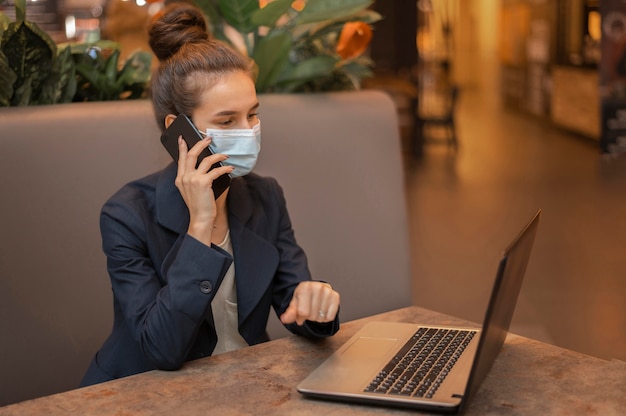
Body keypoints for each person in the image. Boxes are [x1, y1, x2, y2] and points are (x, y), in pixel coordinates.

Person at [80, 3, 340, 387]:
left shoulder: (266, 197)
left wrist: (316, 305)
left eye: (252, 114)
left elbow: (294, 304)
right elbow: (161, 349)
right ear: (179, 130)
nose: (248, 130)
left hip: (241, 386)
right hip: (141, 394)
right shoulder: (126, 214)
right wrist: (201, 223)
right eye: (226, 121)